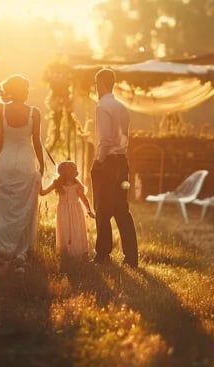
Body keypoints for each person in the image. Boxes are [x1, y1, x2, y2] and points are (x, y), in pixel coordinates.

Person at [0, 75, 45, 267]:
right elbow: (36, 142)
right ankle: (20, 251)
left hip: (6, 159)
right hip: (25, 162)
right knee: (24, 206)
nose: (28, 92)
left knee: (4, 206)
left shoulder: (0, 109)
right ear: (21, 91)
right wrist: (42, 165)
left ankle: (2, 249)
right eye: (26, 89)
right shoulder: (34, 113)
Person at [90, 68, 139, 267]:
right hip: (122, 162)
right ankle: (131, 257)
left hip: (108, 162)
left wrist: (98, 162)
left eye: (96, 84)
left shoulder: (102, 107)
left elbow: (105, 140)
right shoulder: (121, 107)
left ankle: (102, 254)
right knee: (121, 209)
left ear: (101, 84)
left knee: (102, 208)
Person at [40, 161, 96, 258]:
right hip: (63, 211)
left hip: (76, 211)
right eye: (74, 170)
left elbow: (83, 198)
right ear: (67, 172)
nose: (76, 173)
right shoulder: (57, 184)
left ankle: (78, 253)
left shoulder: (77, 185)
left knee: (76, 230)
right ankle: (65, 253)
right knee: (65, 230)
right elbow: (43, 192)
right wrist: (38, 181)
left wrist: (89, 210)